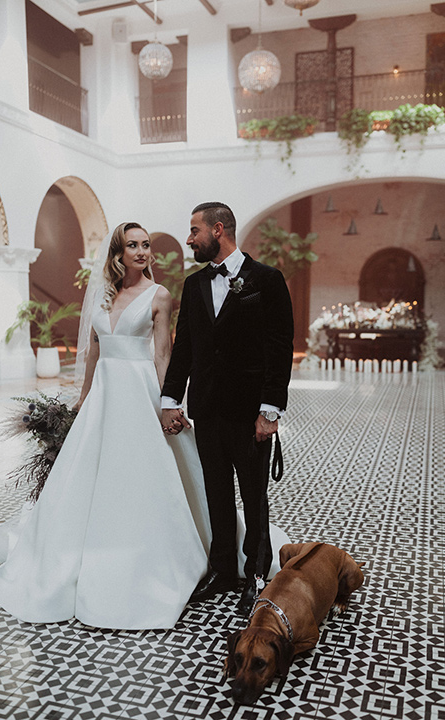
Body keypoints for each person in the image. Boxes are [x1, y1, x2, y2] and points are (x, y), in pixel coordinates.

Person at [0, 222, 213, 630]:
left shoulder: (159, 296)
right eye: (133, 245)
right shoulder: (103, 295)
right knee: (90, 475)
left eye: (146, 245)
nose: (143, 252)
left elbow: (163, 354)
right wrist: (84, 398)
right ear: (117, 253)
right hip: (104, 397)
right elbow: (92, 353)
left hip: (139, 392)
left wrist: (169, 405)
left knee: (141, 475)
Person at [161, 202, 294, 616]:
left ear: (218, 230)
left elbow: (279, 347)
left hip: (250, 414)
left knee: (254, 499)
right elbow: (184, 346)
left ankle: (256, 574)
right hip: (208, 410)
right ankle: (222, 570)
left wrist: (270, 410)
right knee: (216, 494)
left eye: (194, 230)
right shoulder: (194, 284)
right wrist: (170, 400)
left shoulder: (267, 280)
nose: (188, 239)